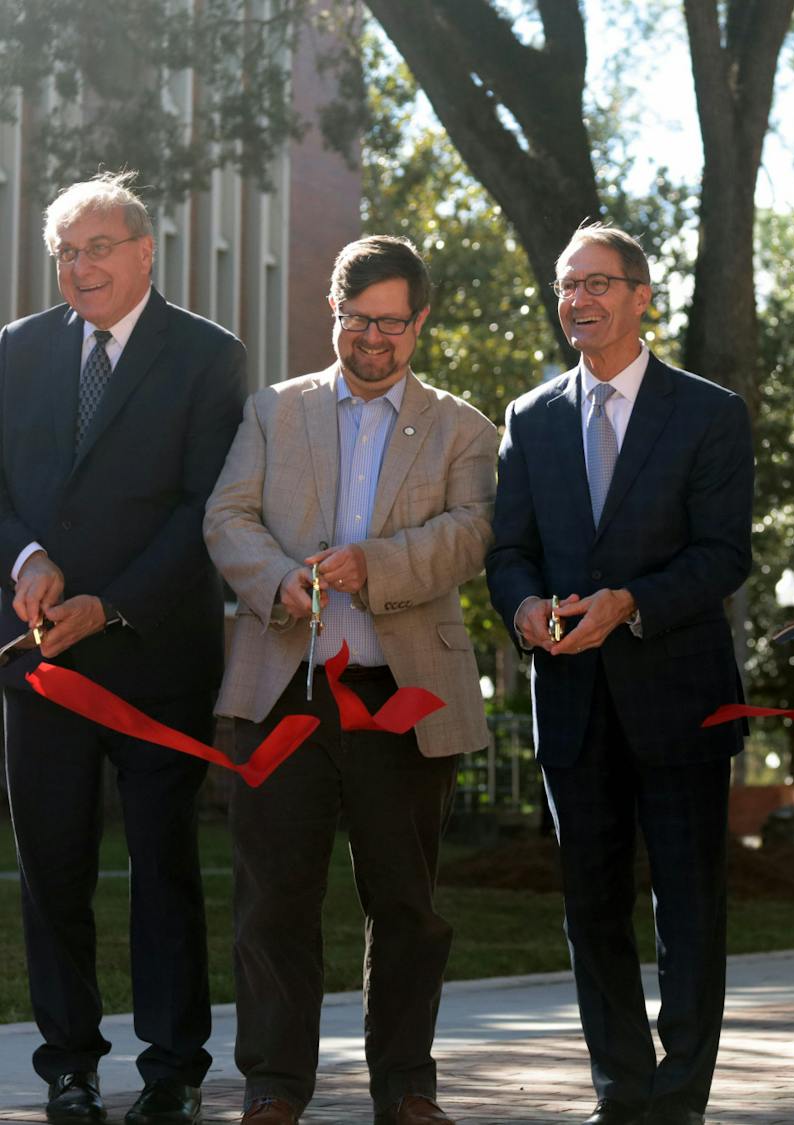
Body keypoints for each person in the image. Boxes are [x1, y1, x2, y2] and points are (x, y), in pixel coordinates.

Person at [203, 236, 497, 1125]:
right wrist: (275, 579)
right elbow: (228, 517)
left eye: (394, 322)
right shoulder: (273, 412)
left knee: (406, 903)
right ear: (336, 314)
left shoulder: (465, 428)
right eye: (360, 319)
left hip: (400, 696)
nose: (376, 337)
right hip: (284, 691)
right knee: (274, 900)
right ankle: (274, 1086)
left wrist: (375, 562)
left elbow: (473, 532)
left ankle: (406, 1084)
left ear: (420, 322)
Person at [486, 225, 753, 1125]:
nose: (581, 301)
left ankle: (679, 1099)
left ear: (643, 295)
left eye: (599, 283)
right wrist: (523, 608)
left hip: (680, 697)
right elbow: (509, 551)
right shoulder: (531, 418)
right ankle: (622, 1092)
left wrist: (629, 601)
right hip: (572, 702)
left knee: (689, 912)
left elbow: (723, 555)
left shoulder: (710, 413)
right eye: (568, 287)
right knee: (592, 909)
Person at [0, 172, 245, 1125]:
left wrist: (112, 604)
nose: (82, 265)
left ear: (146, 252)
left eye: (99, 247)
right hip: (39, 657)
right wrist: (23, 557)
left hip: (155, 653)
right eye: (67, 251)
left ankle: (173, 1066)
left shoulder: (208, 357)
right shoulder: (15, 351)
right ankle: (67, 1062)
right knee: (51, 868)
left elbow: (206, 509)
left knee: (162, 866)